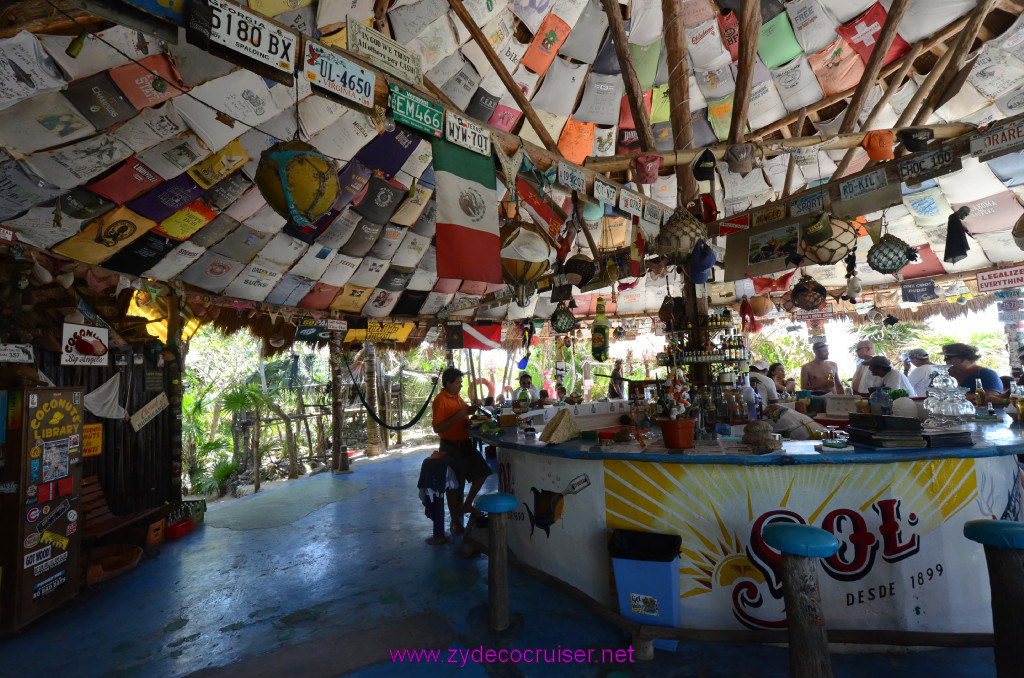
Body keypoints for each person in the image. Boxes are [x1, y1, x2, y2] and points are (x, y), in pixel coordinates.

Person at [431, 367, 491, 534]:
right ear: (448, 383)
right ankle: (455, 520)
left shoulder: (457, 397)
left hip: (464, 444)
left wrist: (473, 409)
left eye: (460, 382)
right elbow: (437, 427)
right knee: (454, 486)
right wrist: (460, 415)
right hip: (449, 446)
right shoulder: (440, 400)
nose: (460, 385)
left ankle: (466, 505)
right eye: (457, 383)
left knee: (483, 472)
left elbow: (465, 413)